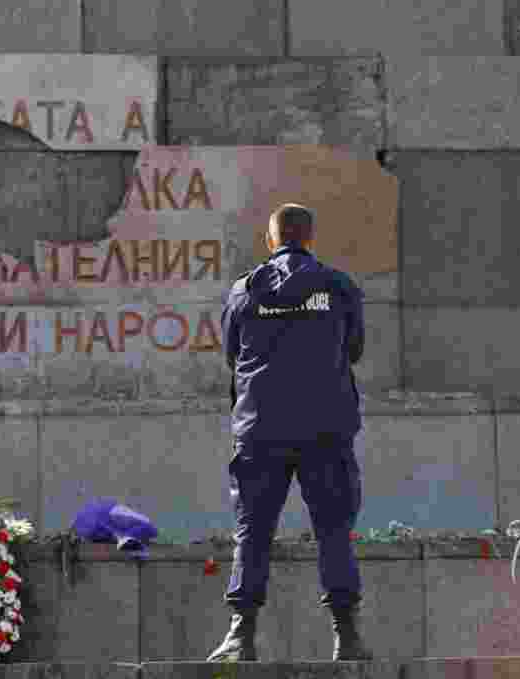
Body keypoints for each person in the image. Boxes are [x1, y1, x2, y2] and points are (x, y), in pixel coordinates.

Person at [209, 204, 372, 662]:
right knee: (334, 531)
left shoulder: (244, 290)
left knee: (253, 532)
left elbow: (231, 355)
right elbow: (354, 348)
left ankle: (241, 637)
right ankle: (348, 638)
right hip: (326, 430)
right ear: (310, 238)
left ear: (271, 239)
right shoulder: (339, 287)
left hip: (261, 430)